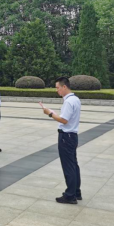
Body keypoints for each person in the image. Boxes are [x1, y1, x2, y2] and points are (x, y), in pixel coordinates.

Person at [43, 76, 82, 205]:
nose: (57, 90)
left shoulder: (69, 102)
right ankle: (76, 191)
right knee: (74, 164)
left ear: (64, 87)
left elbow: (64, 120)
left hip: (66, 136)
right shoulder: (75, 99)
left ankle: (70, 195)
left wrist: (50, 113)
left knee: (68, 166)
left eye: (58, 88)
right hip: (72, 135)